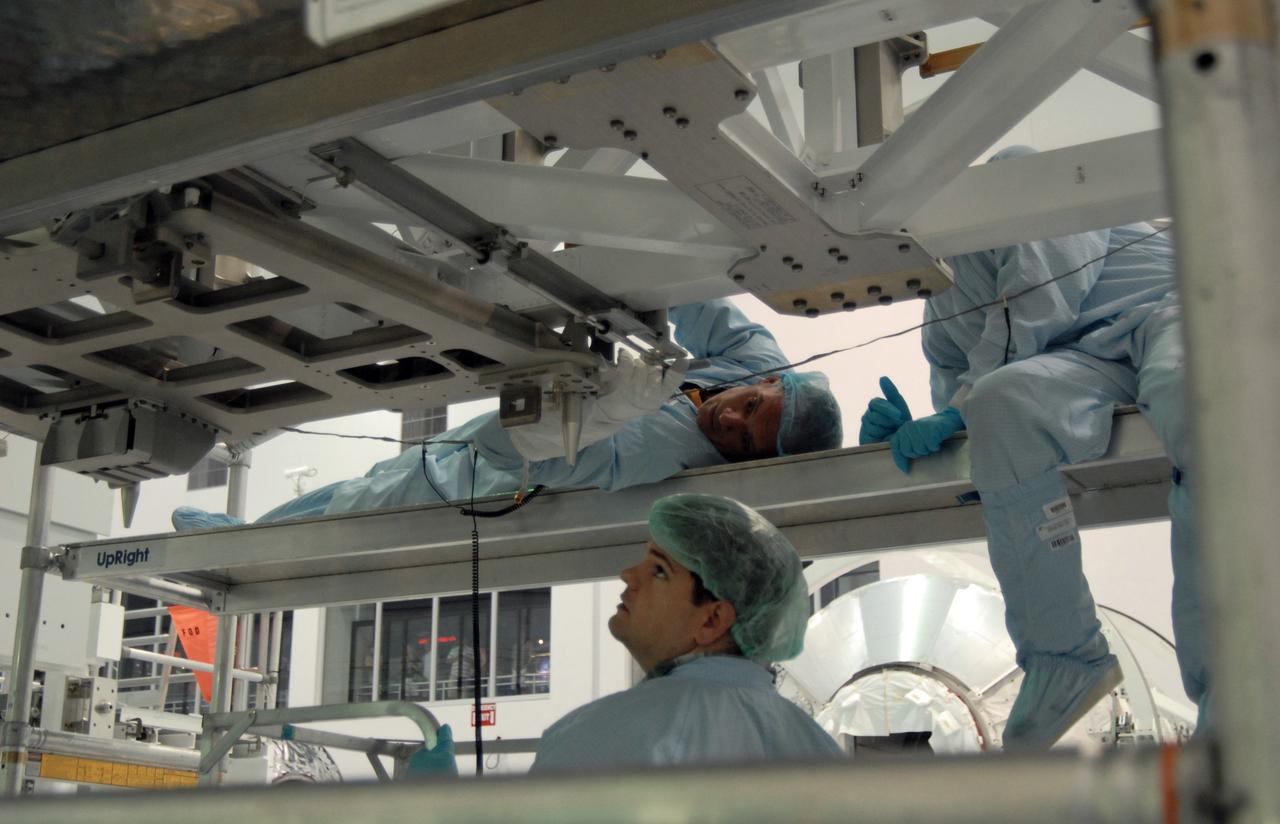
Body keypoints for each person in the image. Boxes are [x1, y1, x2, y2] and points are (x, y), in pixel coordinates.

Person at [858, 146, 1197, 749]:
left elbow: (1044, 293)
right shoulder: (940, 313)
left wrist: (957, 406)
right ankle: (1065, 657)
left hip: (1166, 308)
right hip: (1084, 361)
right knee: (1001, 406)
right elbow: (975, 415)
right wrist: (918, 435)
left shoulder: (1009, 180)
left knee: (1186, 394)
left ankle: (1232, 683)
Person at [173, 298, 842, 528]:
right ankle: (241, 530)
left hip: (474, 484)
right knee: (360, 484)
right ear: (771, 380)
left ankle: (236, 541)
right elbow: (695, 292)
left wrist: (608, 412)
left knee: (355, 508)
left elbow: (516, 449)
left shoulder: (659, 455)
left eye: (744, 441)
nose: (730, 422)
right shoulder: (757, 358)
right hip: (455, 448)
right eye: (749, 406)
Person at [531, 493, 842, 771]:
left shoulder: (596, 736)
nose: (628, 575)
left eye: (659, 571)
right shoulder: (819, 751)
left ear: (712, 620)